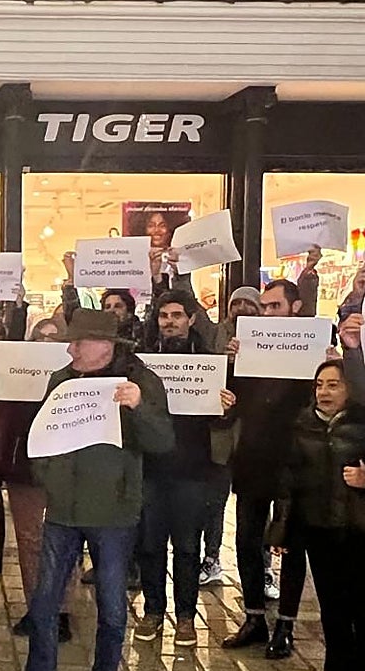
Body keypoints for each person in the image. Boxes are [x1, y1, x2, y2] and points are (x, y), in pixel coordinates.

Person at [14, 309, 173, 671]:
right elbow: (44, 436)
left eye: (78, 342)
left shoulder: (141, 382)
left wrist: (138, 408)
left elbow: (162, 442)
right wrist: (48, 479)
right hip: (63, 511)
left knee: (112, 605)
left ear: (105, 346)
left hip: (114, 515)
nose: (70, 350)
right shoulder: (61, 381)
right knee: (45, 600)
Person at [134, 291, 235, 647]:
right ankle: (153, 611)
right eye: (164, 316)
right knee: (150, 545)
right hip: (150, 467)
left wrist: (225, 409)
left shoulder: (209, 363)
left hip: (193, 469)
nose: (170, 322)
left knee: (188, 547)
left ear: (191, 319)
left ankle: (187, 617)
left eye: (177, 315)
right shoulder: (142, 363)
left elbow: (223, 422)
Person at [267, 360, 365, 671]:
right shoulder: (302, 425)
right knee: (333, 612)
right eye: (320, 385)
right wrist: (282, 531)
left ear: (350, 388)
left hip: (357, 531)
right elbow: (288, 484)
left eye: (333, 385)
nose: (324, 392)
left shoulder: (361, 424)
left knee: (361, 612)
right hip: (319, 530)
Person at [222, 279, 313, 651]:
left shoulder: (311, 347)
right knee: (246, 540)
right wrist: (231, 367)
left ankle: (285, 626)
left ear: (295, 307)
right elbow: (232, 404)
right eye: (264, 307)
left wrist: (326, 360)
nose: (267, 312)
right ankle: (254, 618)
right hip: (253, 458)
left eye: (275, 305)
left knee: (290, 544)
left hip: (294, 463)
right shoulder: (251, 347)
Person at [0, 317, 77, 643]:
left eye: (54, 338)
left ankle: (61, 611)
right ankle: (37, 607)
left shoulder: (76, 376)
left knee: (63, 539)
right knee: (29, 540)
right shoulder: (18, 371)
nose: (46, 343)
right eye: (40, 337)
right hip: (24, 466)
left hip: (65, 468)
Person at [199, 285, 262, 587]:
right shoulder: (215, 336)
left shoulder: (270, 342)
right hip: (223, 435)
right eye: (236, 303)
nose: (241, 309)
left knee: (257, 508)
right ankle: (211, 558)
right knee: (215, 501)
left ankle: (263, 566)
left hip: (254, 436)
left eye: (249, 304)